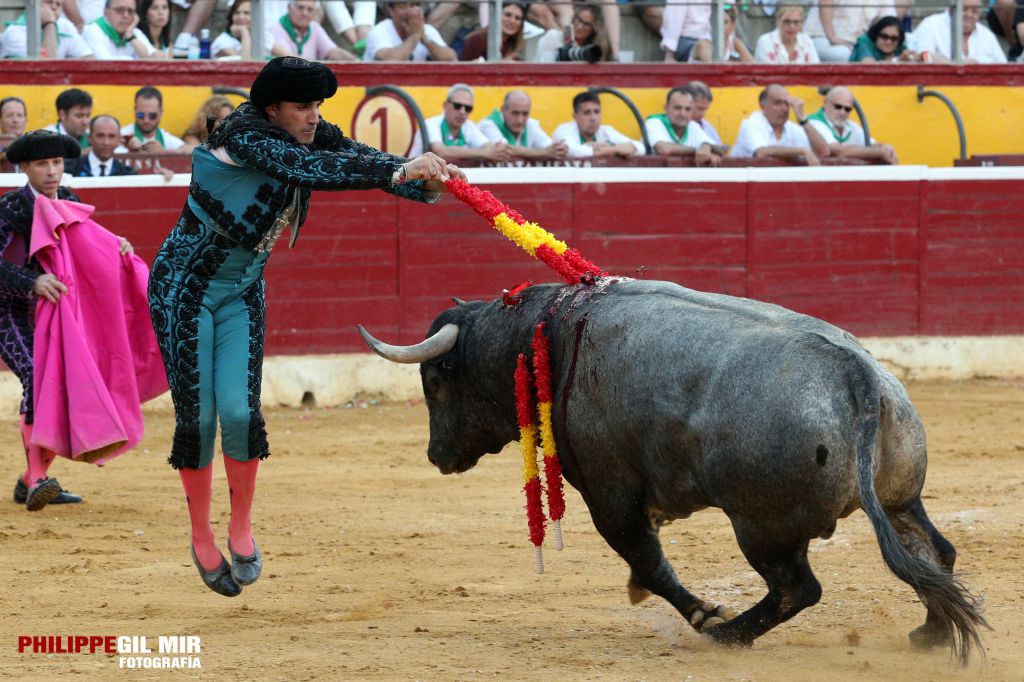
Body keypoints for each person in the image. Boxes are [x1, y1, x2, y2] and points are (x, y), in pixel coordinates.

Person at [147, 56, 466, 597]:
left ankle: (241, 526)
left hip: (242, 289)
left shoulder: (304, 131)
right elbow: (310, 170)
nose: (314, 116)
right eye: (303, 106)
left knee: (243, 411)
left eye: (318, 105)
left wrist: (424, 183)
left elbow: (355, 157)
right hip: (185, 291)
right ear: (272, 108)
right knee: (199, 418)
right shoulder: (248, 136)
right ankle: (201, 534)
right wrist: (398, 171)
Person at [0, 130, 139, 511]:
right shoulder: (11, 209)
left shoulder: (71, 202)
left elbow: (89, 246)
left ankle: (31, 479)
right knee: (38, 376)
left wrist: (117, 245)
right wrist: (33, 281)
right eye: (42, 164)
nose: (51, 171)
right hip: (8, 310)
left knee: (62, 382)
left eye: (57, 163)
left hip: (59, 312)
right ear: (24, 167)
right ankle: (39, 478)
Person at [730, 84, 829, 165]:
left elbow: (823, 152)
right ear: (762, 106)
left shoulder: (791, 127)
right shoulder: (751, 124)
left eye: (786, 104)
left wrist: (803, 120)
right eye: (777, 103)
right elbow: (762, 152)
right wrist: (802, 151)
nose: (784, 109)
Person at [413, 84, 505, 162]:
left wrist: (485, 152)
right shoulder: (430, 124)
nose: (462, 112)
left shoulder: (468, 125)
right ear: (445, 105)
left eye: (467, 108)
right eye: (457, 106)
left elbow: (491, 149)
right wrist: (482, 153)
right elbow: (441, 152)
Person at [807, 87, 897, 164]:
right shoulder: (813, 122)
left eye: (847, 109)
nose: (842, 112)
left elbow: (871, 144)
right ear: (825, 103)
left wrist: (886, 148)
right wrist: (879, 152)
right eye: (838, 107)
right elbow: (838, 151)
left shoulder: (852, 126)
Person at [477, 90, 568, 162]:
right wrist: (545, 153)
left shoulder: (531, 124)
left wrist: (559, 149)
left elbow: (550, 148)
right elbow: (505, 149)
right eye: (515, 113)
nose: (520, 119)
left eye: (525, 114)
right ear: (503, 109)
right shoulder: (488, 124)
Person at [552, 91, 644, 159]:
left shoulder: (606, 131)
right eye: (587, 113)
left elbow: (640, 147)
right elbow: (574, 152)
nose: (593, 118)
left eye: (597, 112)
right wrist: (615, 149)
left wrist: (610, 149)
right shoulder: (563, 130)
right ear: (575, 116)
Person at [645, 87, 722, 166]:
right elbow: (664, 149)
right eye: (677, 108)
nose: (683, 114)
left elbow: (720, 150)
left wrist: (706, 146)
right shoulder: (654, 122)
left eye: (688, 109)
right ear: (666, 108)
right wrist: (696, 151)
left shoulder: (692, 125)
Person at [910, 1, 1008, 63]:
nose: (969, 15)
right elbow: (923, 56)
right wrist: (954, 67)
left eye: (974, 11)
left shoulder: (987, 35)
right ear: (951, 9)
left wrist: (977, 63)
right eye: (964, 9)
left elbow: (1004, 66)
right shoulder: (931, 24)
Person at [804, 0, 895, 62]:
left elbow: (889, 22)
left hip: (855, 45)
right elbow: (825, 2)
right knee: (842, 54)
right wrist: (831, 37)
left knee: (907, 43)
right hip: (821, 38)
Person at [364, 2, 457, 62]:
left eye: (413, 6)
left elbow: (451, 59)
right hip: (383, 89)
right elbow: (389, 61)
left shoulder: (428, 30)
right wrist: (414, 37)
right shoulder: (379, 31)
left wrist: (423, 37)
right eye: (402, 7)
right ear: (391, 11)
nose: (409, 12)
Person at [1, 0, 94, 59]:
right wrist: (49, 24)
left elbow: (89, 61)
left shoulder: (65, 25)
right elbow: (45, 67)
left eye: (58, 4)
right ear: (33, 4)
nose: (54, 7)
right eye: (48, 2)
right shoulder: (14, 32)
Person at [269, 0, 357, 61]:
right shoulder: (277, 28)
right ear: (289, 8)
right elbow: (289, 59)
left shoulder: (314, 27)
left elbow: (333, 51)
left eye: (310, 9)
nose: (305, 13)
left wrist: (357, 61)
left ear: (314, 13)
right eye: (300, 8)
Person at [81, 0, 158, 59]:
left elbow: (153, 58)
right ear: (106, 13)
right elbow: (105, 63)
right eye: (119, 10)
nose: (126, 15)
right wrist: (136, 61)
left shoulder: (133, 32)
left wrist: (131, 37)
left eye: (130, 11)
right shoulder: (92, 30)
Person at [536, 4, 612, 62]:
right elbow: (543, 64)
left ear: (594, 30)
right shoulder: (554, 37)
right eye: (578, 20)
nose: (579, 26)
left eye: (586, 24)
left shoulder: (591, 51)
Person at [120, 86, 185, 153]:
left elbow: (192, 151)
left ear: (161, 113)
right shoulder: (121, 136)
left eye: (152, 116)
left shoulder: (166, 139)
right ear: (135, 111)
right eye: (141, 115)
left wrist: (163, 152)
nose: (146, 120)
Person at [69, 115, 137, 176]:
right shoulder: (69, 170)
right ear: (89, 138)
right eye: (100, 136)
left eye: (111, 136)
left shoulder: (128, 174)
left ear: (119, 139)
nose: (106, 142)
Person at [460, 2, 526, 62]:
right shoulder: (476, 40)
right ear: (496, 16)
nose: (512, 21)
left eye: (517, 18)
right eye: (507, 15)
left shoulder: (517, 45)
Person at [755, 5, 820, 64]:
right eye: (787, 21)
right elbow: (768, 72)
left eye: (796, 22)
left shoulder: (806, 40)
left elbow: (816, 69)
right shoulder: (766, 41)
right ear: (778, 21)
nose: (792, 26)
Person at [688, 4, 753, 62]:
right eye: (716, 21)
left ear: (733, 25)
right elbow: (714, 69)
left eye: (725, 22)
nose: (719, 26)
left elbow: (753, 65)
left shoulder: (735, 43)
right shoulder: (704, 44)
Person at [849, 15, 920, 62]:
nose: (889, 42)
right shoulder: (864, 43)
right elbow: (869, 65)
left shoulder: (899, 47)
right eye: (884, 36)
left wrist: (913, 58)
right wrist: (897, 60)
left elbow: (910, 59)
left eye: (894, 38)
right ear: (876, 34)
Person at [682, 81, 722, 146]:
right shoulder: (668, 126)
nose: (703, 114)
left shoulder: (707, 127)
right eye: (699, 109)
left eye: (705, 109)